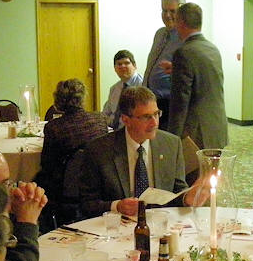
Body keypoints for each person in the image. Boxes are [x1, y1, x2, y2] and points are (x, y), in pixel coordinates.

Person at [80, 86, 200, 218]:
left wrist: (187, 198)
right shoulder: (99, 150)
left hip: (160, 222)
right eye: (146, 117)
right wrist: (117, 206)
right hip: (118, 223)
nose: (154, 123)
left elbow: (177, 192)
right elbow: (86, 204)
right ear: (126, 120)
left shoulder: (171, 144)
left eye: (156, 114)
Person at [168, 2, 228, 149]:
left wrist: (172, 138)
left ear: (181, 22)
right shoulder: (212, 48)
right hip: (216, 127)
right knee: (213, 164)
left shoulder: (183, 53)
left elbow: (180, 101)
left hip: (196, 133)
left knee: (195, 166)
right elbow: (205, 81)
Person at [37, 78, 109, 200]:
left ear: (58, 100)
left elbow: (47, 164)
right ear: (82, 98)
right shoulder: (100, 119)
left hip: (67, 187)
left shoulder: (54, 127)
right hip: (100, 182)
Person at [142, 0, 186, 130]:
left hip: (170, 103)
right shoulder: (160, 34)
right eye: (164, 10)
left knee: (167, 140)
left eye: (172, 11)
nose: (167, 15)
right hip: (152, 100)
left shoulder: (185, 37)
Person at [102, 49, 143, 131]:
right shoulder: (114, 89)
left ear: (135, 66)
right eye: (119, 64)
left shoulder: (143, 86)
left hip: (133, 130)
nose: (122, 66)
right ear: (115, 68)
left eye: (126, 63)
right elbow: (105, 114)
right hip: (112, 130)